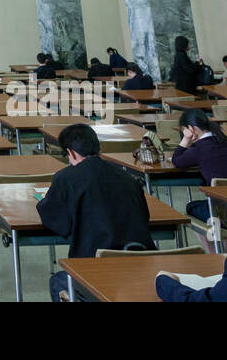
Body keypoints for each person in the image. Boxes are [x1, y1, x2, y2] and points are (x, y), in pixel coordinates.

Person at [39, 123, 156, 301]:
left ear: (70, 153)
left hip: (95, 272)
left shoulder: (65, 177)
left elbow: (59, 223)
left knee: (57, 282)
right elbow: (144, 217)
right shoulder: (128, 178)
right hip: (141, 269)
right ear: (99, 148)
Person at [169, 109, 227, 223]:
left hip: (225, 213)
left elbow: (177, 161)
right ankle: (221, 239)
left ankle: (217, 240)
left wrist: (186, 139)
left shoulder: (199, 148)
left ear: (191, 129)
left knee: (192, 208)